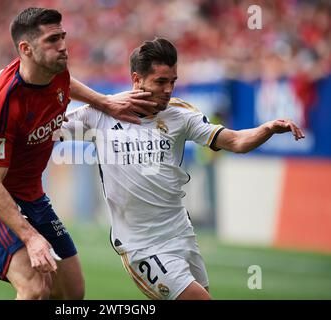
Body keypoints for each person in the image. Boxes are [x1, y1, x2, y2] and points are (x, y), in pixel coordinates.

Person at [57, 37, 305, 300]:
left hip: (181, 234)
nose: (168, 90)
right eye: (160, 82)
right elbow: (48, 130)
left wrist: (266, 129)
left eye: (172, 81)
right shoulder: (99, 114)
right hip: (141, 244)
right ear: (136, 79)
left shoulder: (180, 115)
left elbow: (235, 141)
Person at [0, 7, 159, 300]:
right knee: (34, 288)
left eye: (63, 36)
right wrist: (30, 237)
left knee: (71, 292)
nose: (63, 46)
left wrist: (105, 102)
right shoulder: (3, 105)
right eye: (53, 40)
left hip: (31, 194)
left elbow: (66, 83)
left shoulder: (53, 70)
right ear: (26, 49)